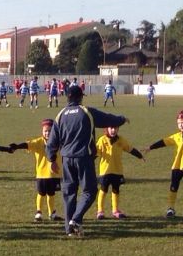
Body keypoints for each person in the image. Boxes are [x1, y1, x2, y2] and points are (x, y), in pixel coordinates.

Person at [46, 85, 129, 237]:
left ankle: (69, 229)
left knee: (69, 194)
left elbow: (52, 141)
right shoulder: (86, 111)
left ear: (68, 97)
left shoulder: (60, 115)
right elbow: (107, 119)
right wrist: (122, 119)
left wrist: (52, 159)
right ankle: (76, 220)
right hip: (83, 157)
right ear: (81, 97)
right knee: (90, 191)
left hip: (66, 159)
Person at [10, 119, 63, 222]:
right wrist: (17, 146)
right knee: (41, 193)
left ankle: (52, 213)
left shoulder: (59, 141)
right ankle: (39, 212)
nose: (47, 133)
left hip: (54, 174)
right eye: (45, 131)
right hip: (42, 174)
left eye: (50, 131)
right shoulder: (38, 142)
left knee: (51, 194)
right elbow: (27, 144)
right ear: (42, 131)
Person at [95, 126, 144, 220]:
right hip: (105, 171)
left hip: (117, 170)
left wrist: (140, 156)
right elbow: (96, 153)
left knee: (116, 190)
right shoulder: (102, 140)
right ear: (106, 129)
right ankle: (100, 211)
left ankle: (115, 210)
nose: (113, 130)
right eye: (111, 128)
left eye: (116, 128)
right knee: (103, 189)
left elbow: (130, 149)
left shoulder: (121, 140)